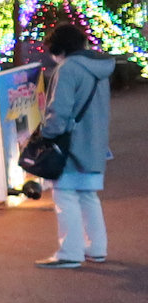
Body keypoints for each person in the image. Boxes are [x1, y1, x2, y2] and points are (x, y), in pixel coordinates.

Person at [36, 23, 114, 268]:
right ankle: (96, 247)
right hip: (95, 143)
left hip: (71, 144)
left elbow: (59, 111)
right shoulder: (99, 69)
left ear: (59, 48)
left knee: (65, 195)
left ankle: (70, 252)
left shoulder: (68, 69)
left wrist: (45, 134)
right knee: (88, 196)